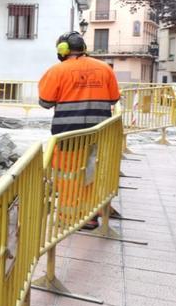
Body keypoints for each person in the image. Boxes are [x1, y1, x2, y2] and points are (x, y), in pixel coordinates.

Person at [38, 32, 121, 230]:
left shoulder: (57, 71)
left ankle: (70, 218)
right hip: (100, 133)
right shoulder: (104, 69)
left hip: (69, 135)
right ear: (84, 48)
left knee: (68, 176)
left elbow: (45, 102)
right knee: (92, 174)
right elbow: (113, 99)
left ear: (62, 50)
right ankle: (92, 215)